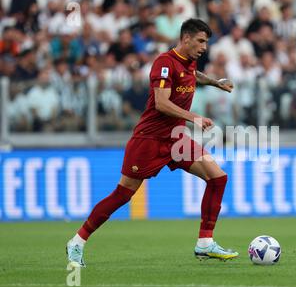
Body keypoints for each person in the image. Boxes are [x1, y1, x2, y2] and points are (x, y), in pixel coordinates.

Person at [66, 19, 238, 267]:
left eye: (206, 42)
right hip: (149, 140)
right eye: (200, 41)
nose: (204, 47)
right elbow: (161, 102)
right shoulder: (164, 63)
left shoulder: (189, 62)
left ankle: (205, 243)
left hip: (175, 139)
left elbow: (192, 74)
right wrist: (194, 117)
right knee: (122, 195)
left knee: (218, 177)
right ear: (186, 38)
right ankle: (77, 241)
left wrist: (214, 82)